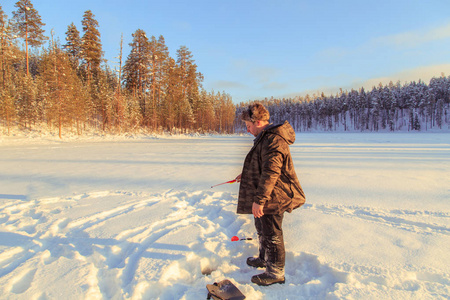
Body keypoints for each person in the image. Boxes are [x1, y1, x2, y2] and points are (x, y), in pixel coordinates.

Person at [235, 103, 306, 286]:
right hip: (268, 193)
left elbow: (271, 172)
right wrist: (247, 173)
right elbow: (263, 164)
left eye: (248, 125)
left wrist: (259, 200)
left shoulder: (274, 139)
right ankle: (264, 258)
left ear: (258, 121)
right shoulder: (265, 137)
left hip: (275, 195)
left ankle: (275, 273)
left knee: (272, 233)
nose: (247, 129)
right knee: (262, 227)